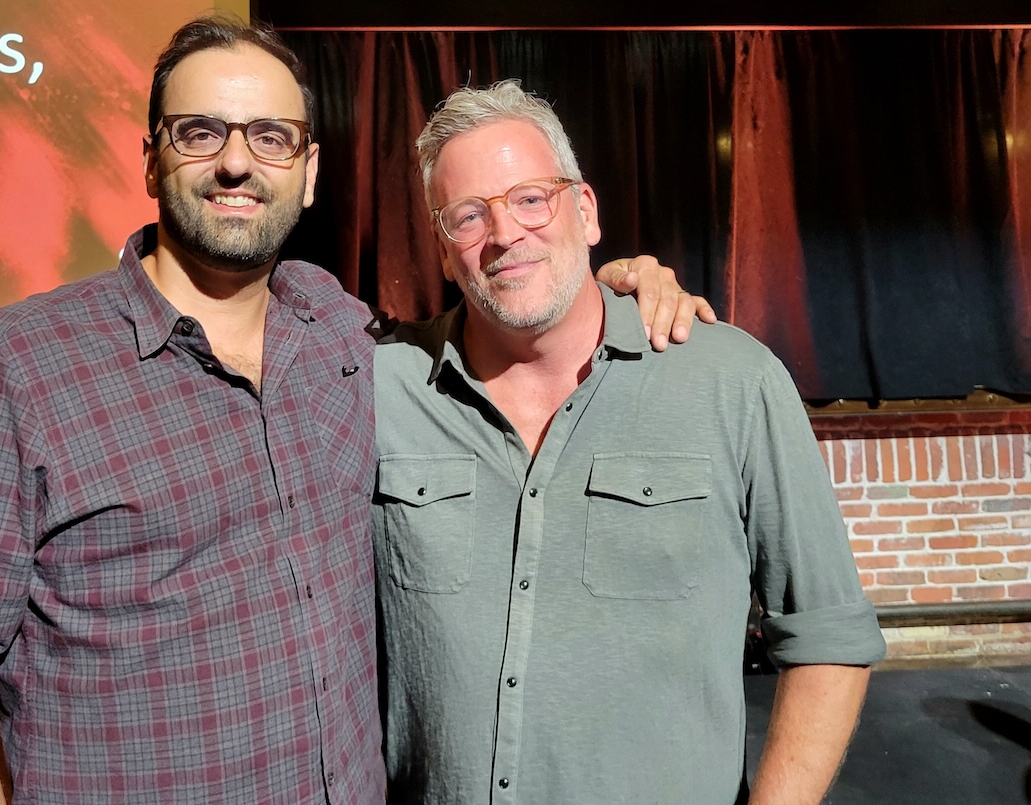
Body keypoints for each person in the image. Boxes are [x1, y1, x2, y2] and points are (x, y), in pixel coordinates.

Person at [0, 18, 709, 805]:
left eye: (270, 136)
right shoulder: (15, 366)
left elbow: (498, 311)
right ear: (151, 159)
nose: (236, 161)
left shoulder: (338, 328)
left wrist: (606, 287)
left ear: (309, 169)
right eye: (200, 131)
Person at [372, 80, 887, 805]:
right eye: (467, 214)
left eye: (530, 198)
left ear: (584, 210)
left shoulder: (730, 382)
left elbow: (829, 636)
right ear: (443, 246)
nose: (504, 233)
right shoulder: (378, 389)